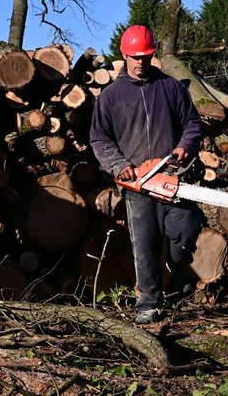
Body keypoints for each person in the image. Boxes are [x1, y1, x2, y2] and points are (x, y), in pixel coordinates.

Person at [90, 25, 204, 325]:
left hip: (171, 174)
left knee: (188, 226)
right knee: (145, 245)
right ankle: (149, 303)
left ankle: (179, 264)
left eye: (146, 56)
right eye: (135, 56)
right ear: (124, 55)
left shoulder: (171, 87)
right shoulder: (111, 97)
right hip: (137, 183)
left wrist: (184, 147)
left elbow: (192, 124)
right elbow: (99, 138)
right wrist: (119, 165)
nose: (141, 61)